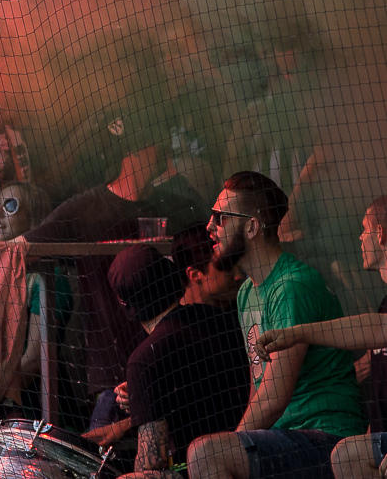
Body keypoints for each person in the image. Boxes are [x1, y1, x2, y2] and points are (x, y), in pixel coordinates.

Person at [19, 110, 209, 430]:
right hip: (113, 378)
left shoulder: (177, 204)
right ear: (136, 151)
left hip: (175, 365)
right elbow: (21, 248)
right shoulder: (84, 209)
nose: (165, 148)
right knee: (106, 452)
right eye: (157, 142)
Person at [187, 172, 365, 479]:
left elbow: (273, 398)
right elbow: (258, 385)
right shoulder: (246, 292)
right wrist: (239, 444)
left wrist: (233, 443)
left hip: (327, 439)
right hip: (285, 438)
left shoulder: (292, 286)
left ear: (252, 227)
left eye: (220, 218)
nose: (210, 227)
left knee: (207, 454)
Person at [253, 194, 387, 479]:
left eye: (364, 228)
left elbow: (378, 328)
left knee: (346, 454)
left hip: (335, 433)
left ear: (380, 233)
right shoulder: (383, 306)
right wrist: (296, 333)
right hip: (375, 446)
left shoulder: (295, 285)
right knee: (349, 455)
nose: (360, 238)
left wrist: (298, 332)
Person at [105, 245, 249, 476]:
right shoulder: (221, 319)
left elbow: (153, 462)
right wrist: (144, 401)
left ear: (125, 304)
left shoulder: (144, 359)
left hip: (200, 469)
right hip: (251, 454)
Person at [0, 182, 71, 419]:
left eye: (10, 206)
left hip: (38, 409)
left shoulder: (49, 278)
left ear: (33, 216)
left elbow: (35, 359)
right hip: (2, 406)